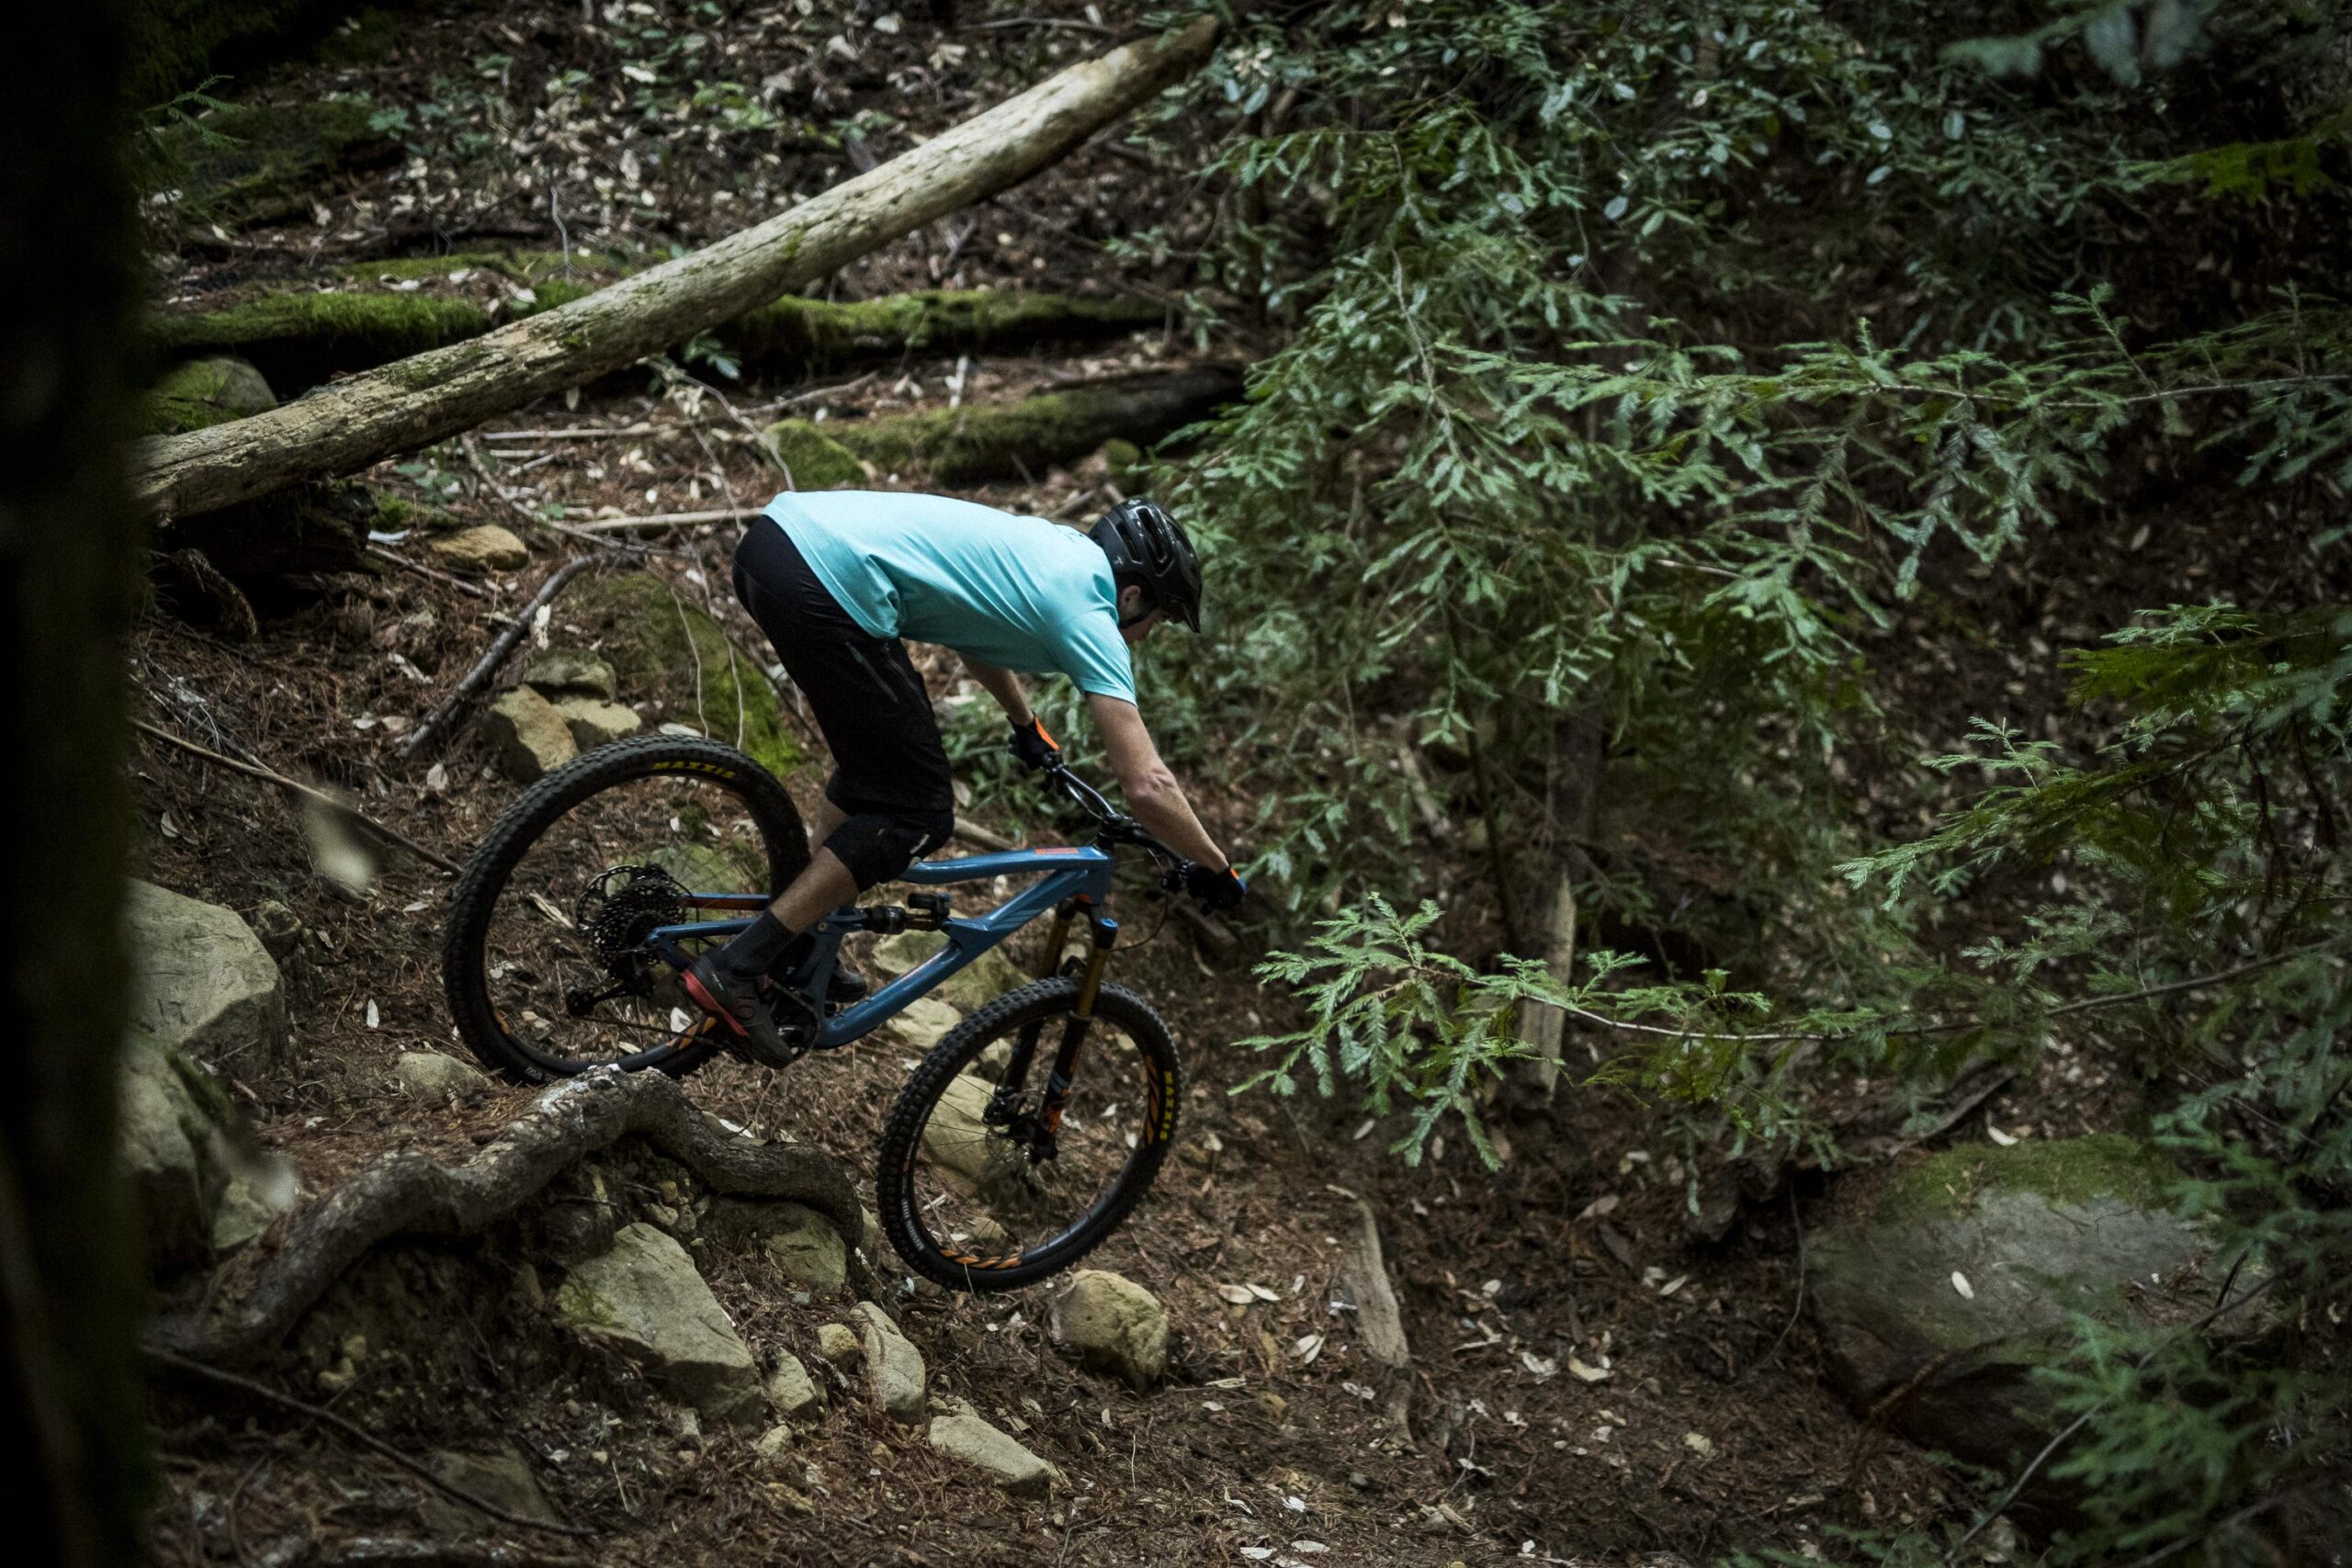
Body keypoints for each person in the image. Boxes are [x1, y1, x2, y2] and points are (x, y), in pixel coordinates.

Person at [683, 490, 1246, 1061]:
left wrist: (1024, 721)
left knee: (875, 777)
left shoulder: (1054, 552)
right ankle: (741, 964)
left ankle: (797, 943)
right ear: (1132, 595)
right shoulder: (1090, 611)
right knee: (916, 813)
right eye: (1160, 617)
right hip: (827, 581)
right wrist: (1214, 865)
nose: (1150, 634)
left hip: (776, 544)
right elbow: (1147, 784)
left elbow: (974, 631)